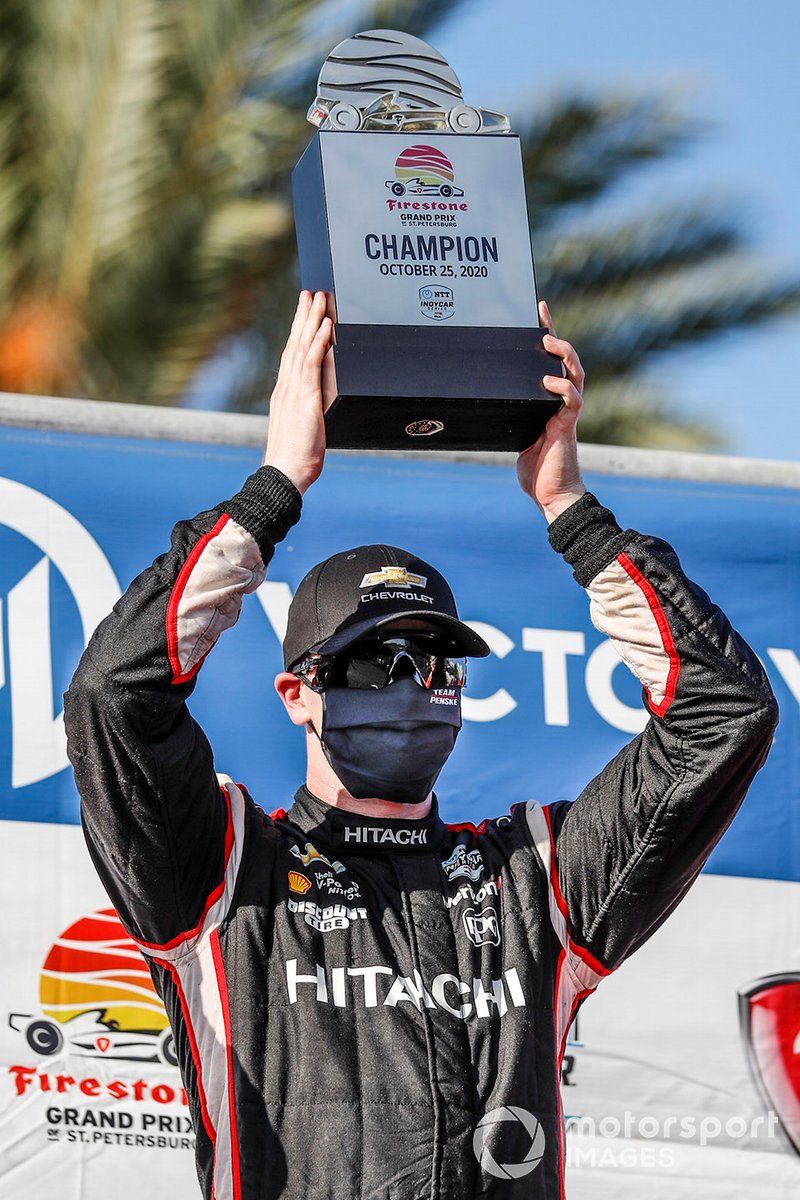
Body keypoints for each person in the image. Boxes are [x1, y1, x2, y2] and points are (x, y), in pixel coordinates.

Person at [64, 291, 778, 1200]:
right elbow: (112, 697)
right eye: (372, 662)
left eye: (437, 660)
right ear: (297, 694)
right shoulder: (221, 868)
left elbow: (726, 713)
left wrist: (570, 508)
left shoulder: (534, 883)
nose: (412, 682)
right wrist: (276, 485)